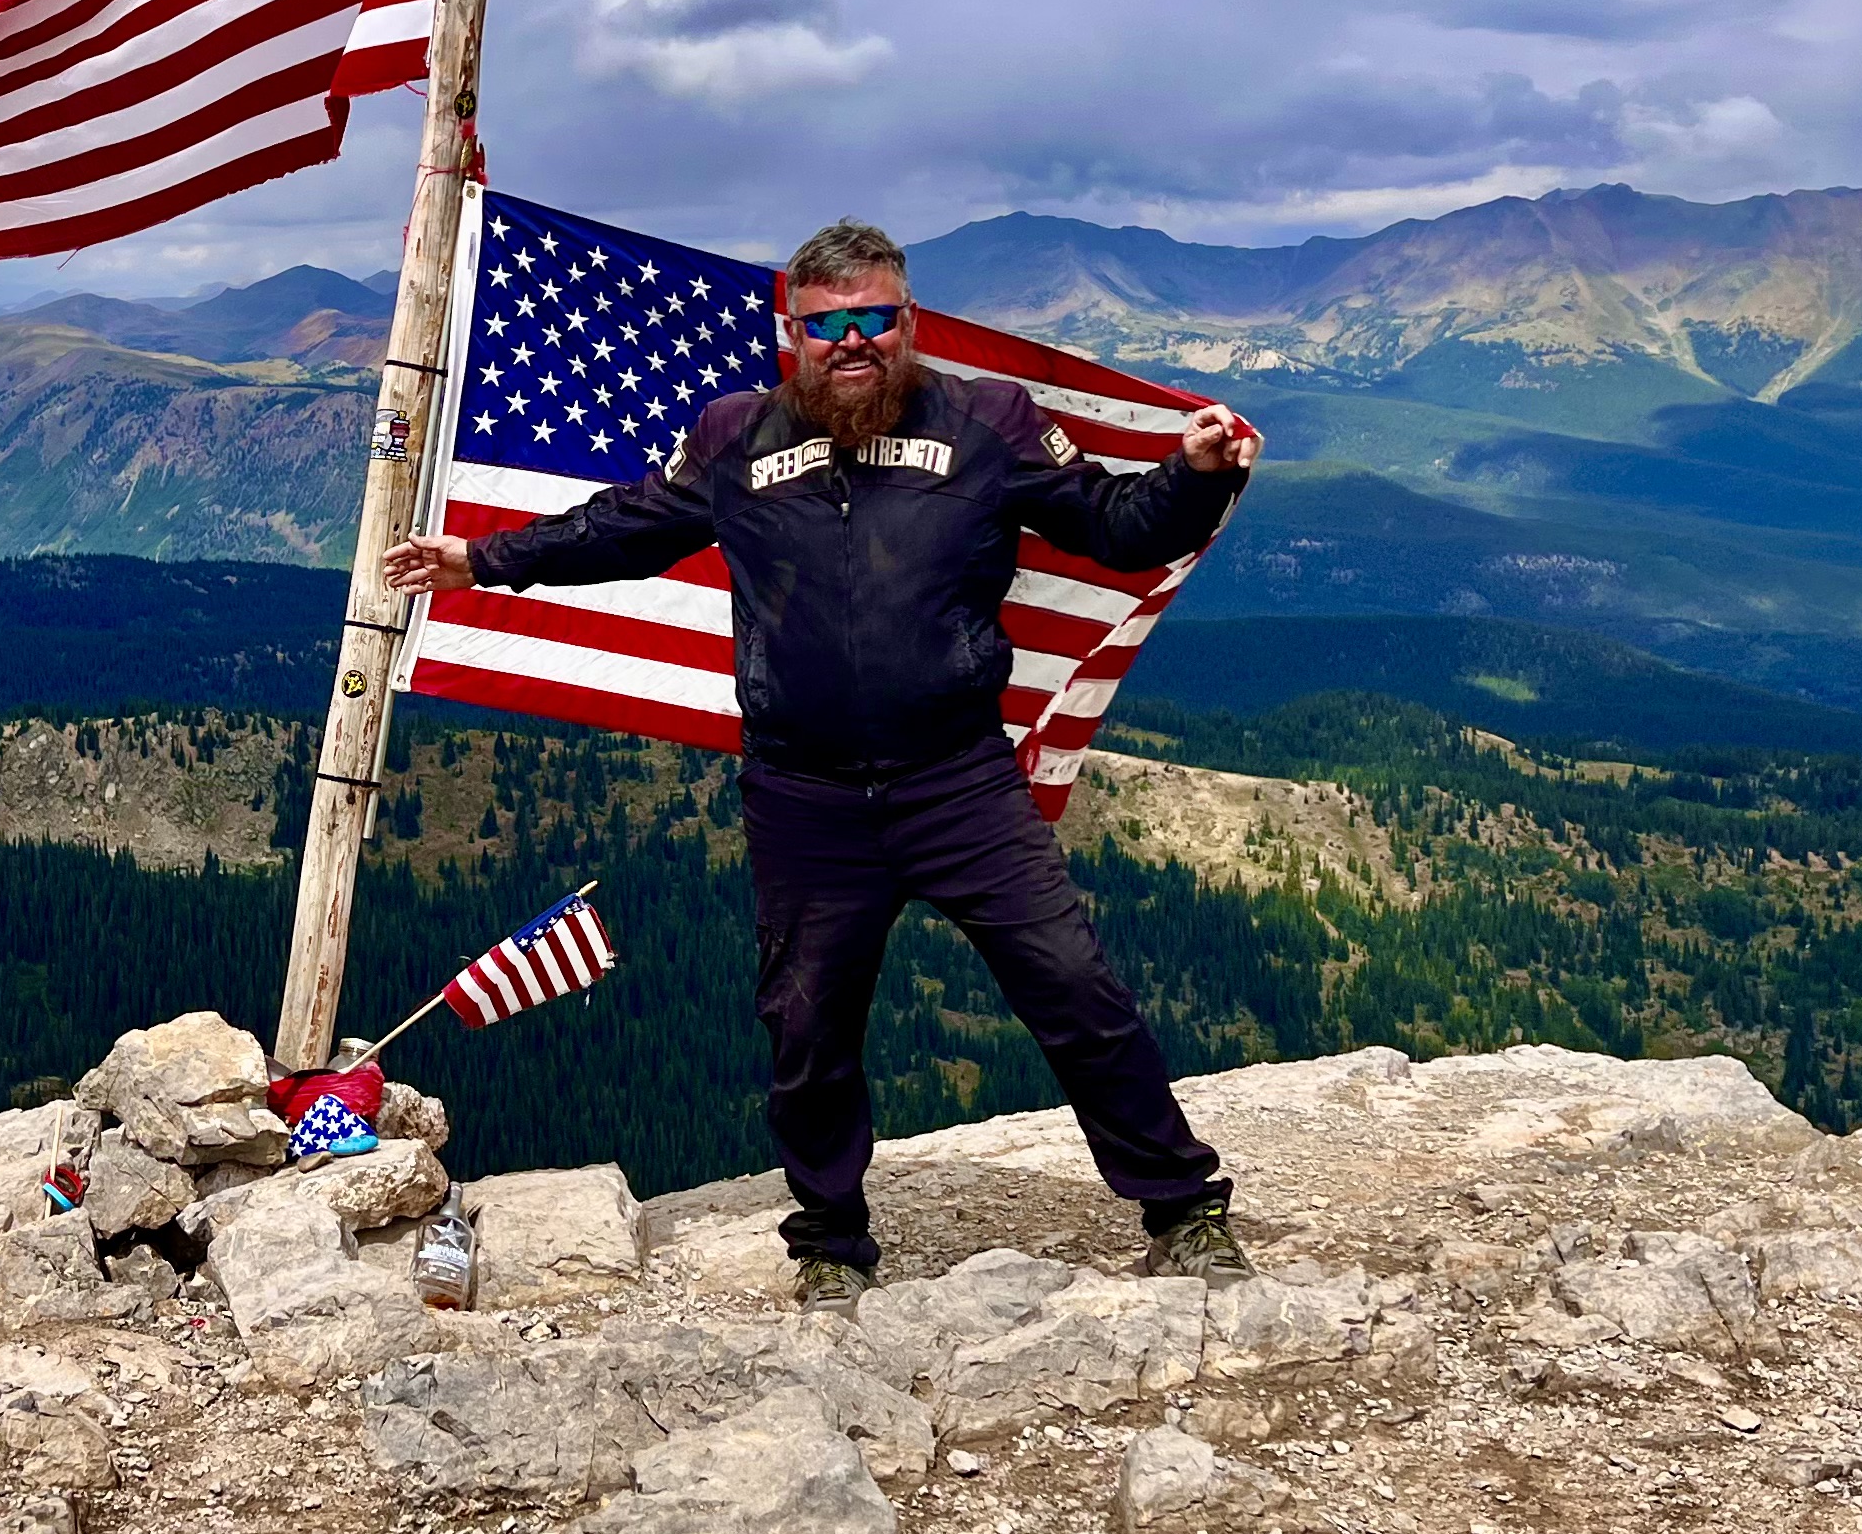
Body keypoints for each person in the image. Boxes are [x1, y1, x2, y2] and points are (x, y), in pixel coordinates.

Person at [384, 218, 1264, 1308]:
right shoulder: (733, 436)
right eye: (827, 324)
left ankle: (1183, 1211)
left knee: (1076, 988)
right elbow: (627, 527)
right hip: (805, 798)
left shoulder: (989, 421)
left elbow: (1115, 527)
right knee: (807, 1028)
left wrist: (1192, 477)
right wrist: (482, 558)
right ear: (793, 333)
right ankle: (831, 1245)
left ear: (909, 320)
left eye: (875, 318)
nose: (852, 340)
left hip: (959, 782)